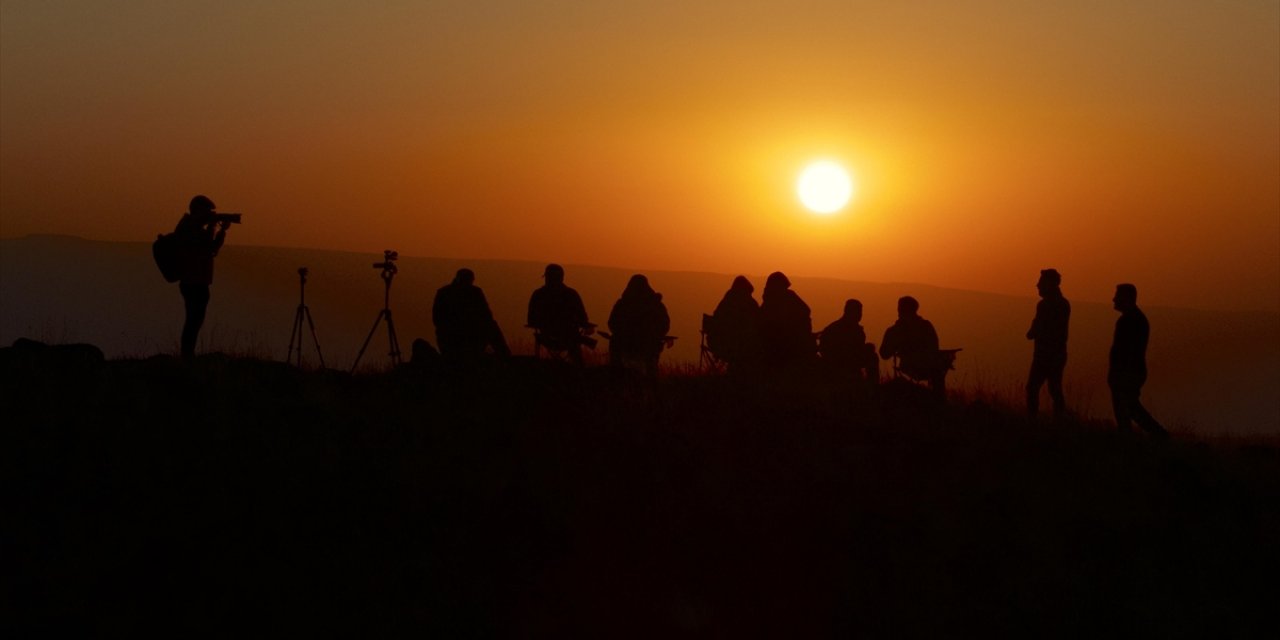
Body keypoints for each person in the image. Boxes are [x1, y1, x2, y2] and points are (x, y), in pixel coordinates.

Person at [173, 195, 231, 358]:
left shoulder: (191, 227)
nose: (209, 215)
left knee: (194, 320)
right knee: (193, 320)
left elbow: (211, 249)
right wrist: (213, 227)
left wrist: (220, 231)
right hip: (193, 281)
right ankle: (187, 355)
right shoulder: (190, 228)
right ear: (198, 210)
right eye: (207, 212)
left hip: (196, 280)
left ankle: (187, 354)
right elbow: (208, 248)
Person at [1109, 284, 1168, 437]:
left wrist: (1118, 373)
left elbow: (1125, 351)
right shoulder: (1135, 319)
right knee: (1128, 409)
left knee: (1128, 409)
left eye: (1118, 296)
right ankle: (1153, 436)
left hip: (1127, 372)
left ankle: (1159, 435)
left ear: (1127, 298)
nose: (1114, 299)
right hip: (1130, 372)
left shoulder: (1130, 320)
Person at [432, 268, 510, 364]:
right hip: (456, 337)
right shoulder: (474, 292)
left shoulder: (444, 292)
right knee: (491, 326)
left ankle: (504, 355)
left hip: (459, 335)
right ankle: (505, 356)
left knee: (491, 325)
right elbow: (486, 315)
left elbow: (437, 318)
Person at [879, 296, 949, 397]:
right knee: (937, 373)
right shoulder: (926, 326)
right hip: (927, 367)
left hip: (910, 367)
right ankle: (939, 402)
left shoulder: (895, 330)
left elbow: (884, 354)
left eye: (900, 309)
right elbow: (934, 347)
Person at [528, 263, 594, 365]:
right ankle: (579, 370)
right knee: (575, 343)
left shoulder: (538, 295)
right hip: (569, 338)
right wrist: (586, 326)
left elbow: (531, 319)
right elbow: (583, 317)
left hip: (546, 337)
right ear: (562, 278)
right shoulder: (572, 294)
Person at [1026, 268, 1070, 419]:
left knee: (1034, 388)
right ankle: (1058, 420)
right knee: (1053, 389)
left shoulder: (1050, 305)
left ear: (1050, 284)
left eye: (1041, 282)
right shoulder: (1059, 304)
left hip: (1048, 355)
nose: (1037, 285)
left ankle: (1034, 421)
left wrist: (1034, 332)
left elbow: (1042, 327)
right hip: (1053, 354)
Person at [606, 275, 671, 376]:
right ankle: (651, 384)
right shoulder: (656, 305)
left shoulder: (622, 304)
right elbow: (665, 325)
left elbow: (612, 323)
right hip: (649, 347)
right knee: (650, 371)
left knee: (617, 369)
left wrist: (624, 334)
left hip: (624, 345)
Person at [759, 271, 815, 367]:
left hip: (773, 347)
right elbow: (805, 310)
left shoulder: (768, 301)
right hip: (788, 346)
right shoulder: (787, 297)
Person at [708, 276, 762, 371]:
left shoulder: (726, 301)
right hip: (739, 345)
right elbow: (758, 322)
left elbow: (716, 319)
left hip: (720, 343)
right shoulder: (749, 304)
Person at [819, 299, 878, 384]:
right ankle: (873, 388)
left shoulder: (832, 328)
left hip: (837, 368)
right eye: (859, 312)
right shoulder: (855, 331)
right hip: (842, 368)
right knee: (873, 357)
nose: (860, 315)